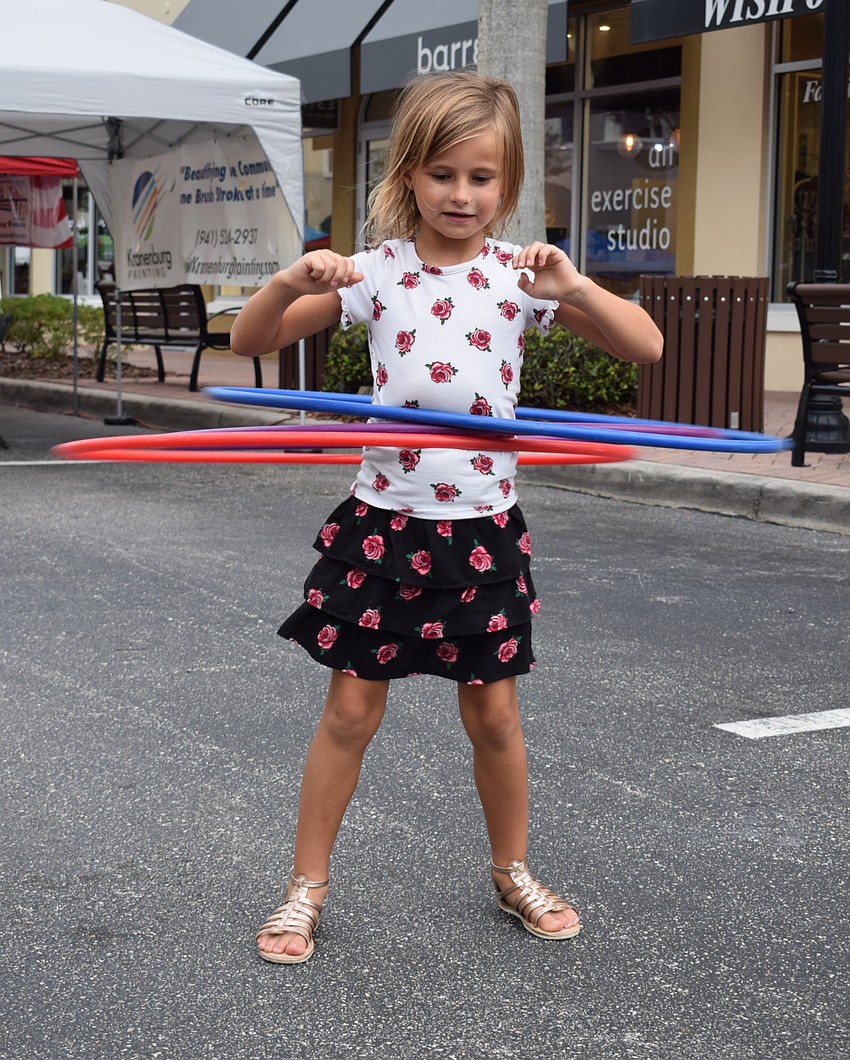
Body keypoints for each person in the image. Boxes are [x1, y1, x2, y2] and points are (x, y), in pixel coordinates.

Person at [231, 70, 662, 965]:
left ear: (507, 187)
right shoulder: (376, 272)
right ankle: (303, 888)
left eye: (481, 177)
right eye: (441, 174)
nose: (460, 195)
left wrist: (575, 288)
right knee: (349, 711)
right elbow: (251, 342)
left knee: (495, 716)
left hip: (482, 528)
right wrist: (289, 277)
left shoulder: (522, 278)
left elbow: (645, 347)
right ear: (409, 176)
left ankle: (513, 872)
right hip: (386, 524)